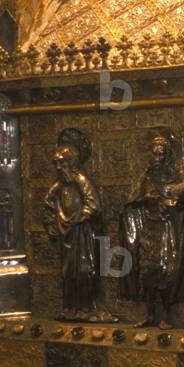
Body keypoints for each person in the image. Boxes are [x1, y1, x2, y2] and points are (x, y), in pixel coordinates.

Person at [119, 126, 184, 328]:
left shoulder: (175, 173)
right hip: (150, 227)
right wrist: (148, 198)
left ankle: (167, 315)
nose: (156, 156)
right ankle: (150, 314)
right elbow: (133, 199)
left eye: (160, 153)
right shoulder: (146, 175)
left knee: (166, 270)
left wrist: (176, 200)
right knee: (147, 271)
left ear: (166, 155)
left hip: (167, 228)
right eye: (153, 152)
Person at [42, 129, 115, 322]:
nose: (58, 167)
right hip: (67, 237)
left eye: (62, 162)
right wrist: (53, 226)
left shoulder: (81, 181)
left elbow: (94, 205)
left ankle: (88, 308)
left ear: (72, 162)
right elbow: (48, 205)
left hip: (83, 235)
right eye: (56, 163)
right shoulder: (58, 186)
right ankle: (71, 308)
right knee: (68, 273)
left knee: (85, 271)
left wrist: (78, 219)